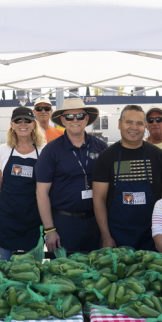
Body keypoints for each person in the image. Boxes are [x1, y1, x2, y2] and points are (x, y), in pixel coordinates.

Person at [93, 105, 162, 251]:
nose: (134, 127)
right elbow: (99, 199)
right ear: (119, 124)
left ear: (145, 127)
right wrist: (106, 237)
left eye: (139, 123)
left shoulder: (158, 156)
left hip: (153, 237)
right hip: (117, 237)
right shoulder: (107, 157)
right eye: (129, 122)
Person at [36, 97, 108, 252]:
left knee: (96, 265)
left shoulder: (101, 147)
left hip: (96, 222)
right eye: (69, 116)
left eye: (80, 116)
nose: (75, 120)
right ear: (63, 120)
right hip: (64, 224)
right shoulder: (51, 150)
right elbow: (41, 192)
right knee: (65, 266)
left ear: (87, 118)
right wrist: (49, 230)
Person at [0, 107, 47, 260]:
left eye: (27, 120)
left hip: (34, 219)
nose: (23, 124)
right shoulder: (2, 150)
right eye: (18, 120)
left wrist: (50, 225)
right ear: (12, 125)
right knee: (4, 267)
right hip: (7, 220)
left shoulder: (44, 150)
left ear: (34, 124)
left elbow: (49, 189)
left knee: (32, 269)